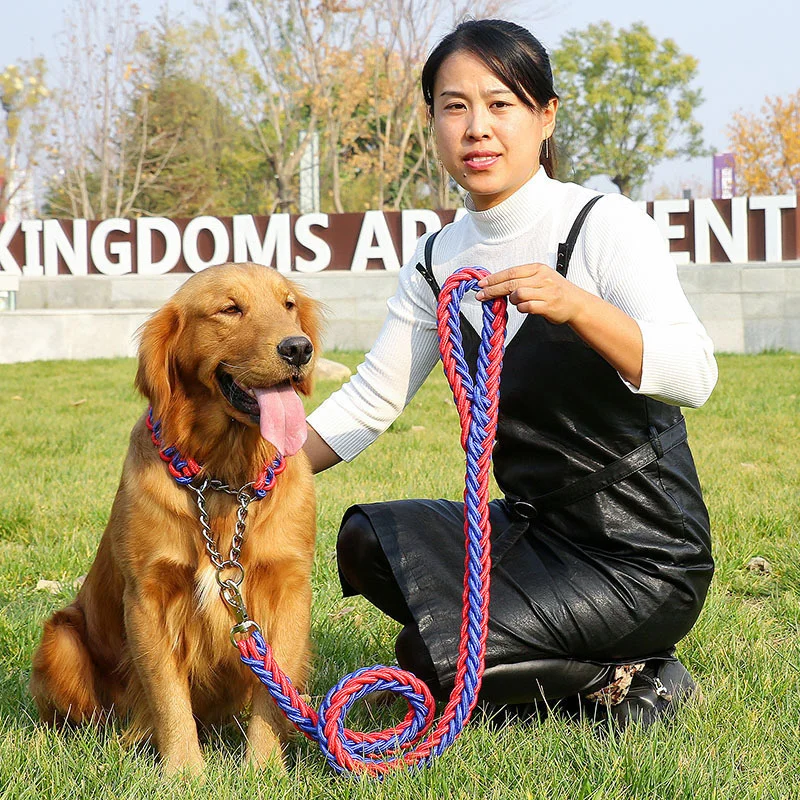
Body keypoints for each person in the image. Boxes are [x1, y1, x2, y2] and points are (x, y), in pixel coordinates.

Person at [303, 18, 717, 727]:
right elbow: (369, 401)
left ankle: (632, 675)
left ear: (545, 116)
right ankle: (554, 660)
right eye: (454, 106)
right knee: (367, 539)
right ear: (432, 120)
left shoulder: (600, 225)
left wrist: (577, 306)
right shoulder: (436, 260)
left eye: (501, 104)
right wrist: (245, 470)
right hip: (532, 529)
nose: (477, 128)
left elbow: (695, 374)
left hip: (643, 553)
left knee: (431, 657)